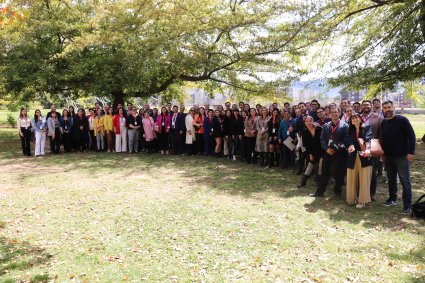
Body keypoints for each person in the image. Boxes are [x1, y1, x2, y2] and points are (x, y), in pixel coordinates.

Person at [381, 100, 416, 214]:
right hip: (389, 157)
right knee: (391, 179)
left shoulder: (402, 120)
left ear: (393, 107)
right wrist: (384, 154)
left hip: (402, 156)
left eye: (389, 107)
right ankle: (392, 199)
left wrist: (411, 152)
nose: (387, 110)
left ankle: (407, 205)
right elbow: (384, 139)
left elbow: (412, 136)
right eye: (385, 108)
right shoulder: (384, 122)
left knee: (405, 181)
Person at [310, 107, 349, 197]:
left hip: (339, 153)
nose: (334, 114)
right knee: (325, 172)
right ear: (330, 114)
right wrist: (327, 148)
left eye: (336, 112)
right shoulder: (326, 125)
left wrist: (337, 148)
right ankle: (319, 192)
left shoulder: (345, 125)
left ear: (339, 113)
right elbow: (322, 139)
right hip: (328, 152)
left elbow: (346, 140)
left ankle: (337, 191)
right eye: (332, 112)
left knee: (338, 173)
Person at [345, 114, 373, 208]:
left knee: (364, 178)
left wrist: (368, 149)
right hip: (352, 157)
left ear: (361, 119)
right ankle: (352, 198)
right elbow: (348, 141)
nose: (355, 119)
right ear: (351, 121)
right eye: (352, 118)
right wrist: (350, 146)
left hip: (364, 156)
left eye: (356, 117)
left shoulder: (367, 128)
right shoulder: (350, 130)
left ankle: (363, 200)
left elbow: (368, 139)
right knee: (351, 177)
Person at [361, 100, 383, 201]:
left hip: (373, 146)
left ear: (371, 106)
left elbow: (382, 132)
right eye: (364, 105)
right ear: (361, 106)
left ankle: (372, 192)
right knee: (361, 169)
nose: (366, 106)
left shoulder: (378, 117)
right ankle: (362, 191)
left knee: (372, 171)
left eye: (368, 105)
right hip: (360, 147)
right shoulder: (357, 116)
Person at [298, 116, 323, 188]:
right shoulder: (304, 132)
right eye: (307, 121)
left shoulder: (319, 129)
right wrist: (310, 154)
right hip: (312, 152)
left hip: (322, 152)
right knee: (309, 166)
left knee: (320, 167)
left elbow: (324, 141)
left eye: (310, 121)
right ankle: (303, 183)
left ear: (313, 121)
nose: (308, 122)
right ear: (305, 123)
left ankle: (319, 184)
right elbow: (305, 145)